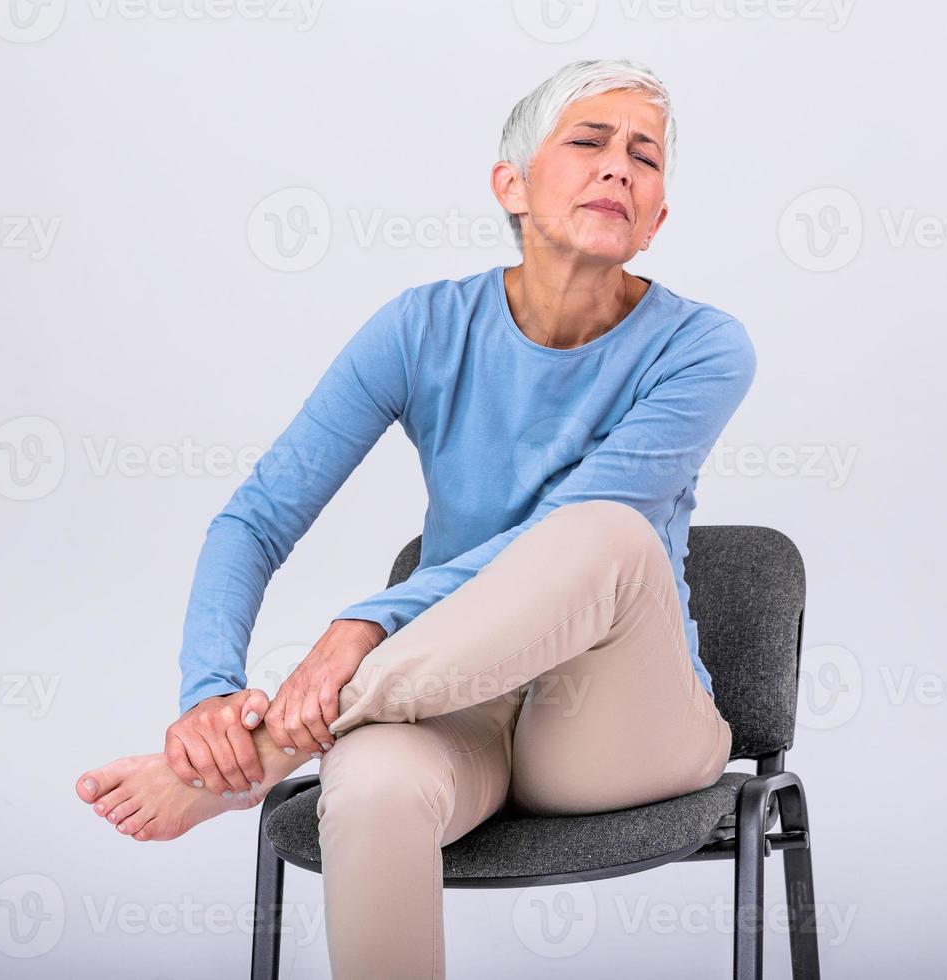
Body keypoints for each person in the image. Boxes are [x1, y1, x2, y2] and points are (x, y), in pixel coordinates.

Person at [75, 57, 757, 979]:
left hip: (616, 718)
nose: (619, 169)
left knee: (606, 533)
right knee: (371, 787)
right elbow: (257, 517)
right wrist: (207, 695)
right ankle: (247, 753)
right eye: (589, 142)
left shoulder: (704, 348)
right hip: (450, 699)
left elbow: (568, 527)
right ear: (510, 185)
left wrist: (362, 626)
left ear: (659, 217)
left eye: (646, 157)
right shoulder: (421, 329)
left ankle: (262, 756)